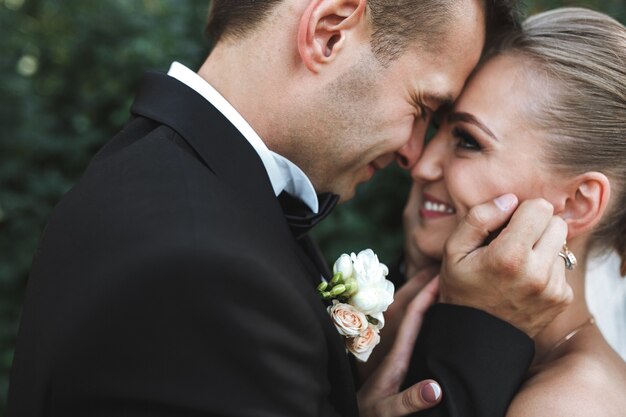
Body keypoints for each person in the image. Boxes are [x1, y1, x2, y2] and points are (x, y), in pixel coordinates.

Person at [8, 1, 573, 416]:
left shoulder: (152, 175)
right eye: (423, 106)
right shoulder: (203, 269)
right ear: (329, 33)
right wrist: (482, 336)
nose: (414, 154)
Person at [399, 7, 626, 416]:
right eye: (439, 130)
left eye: (467, 140)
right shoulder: (419, 318)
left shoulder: (569, 403)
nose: (422, 165)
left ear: (577, 203)